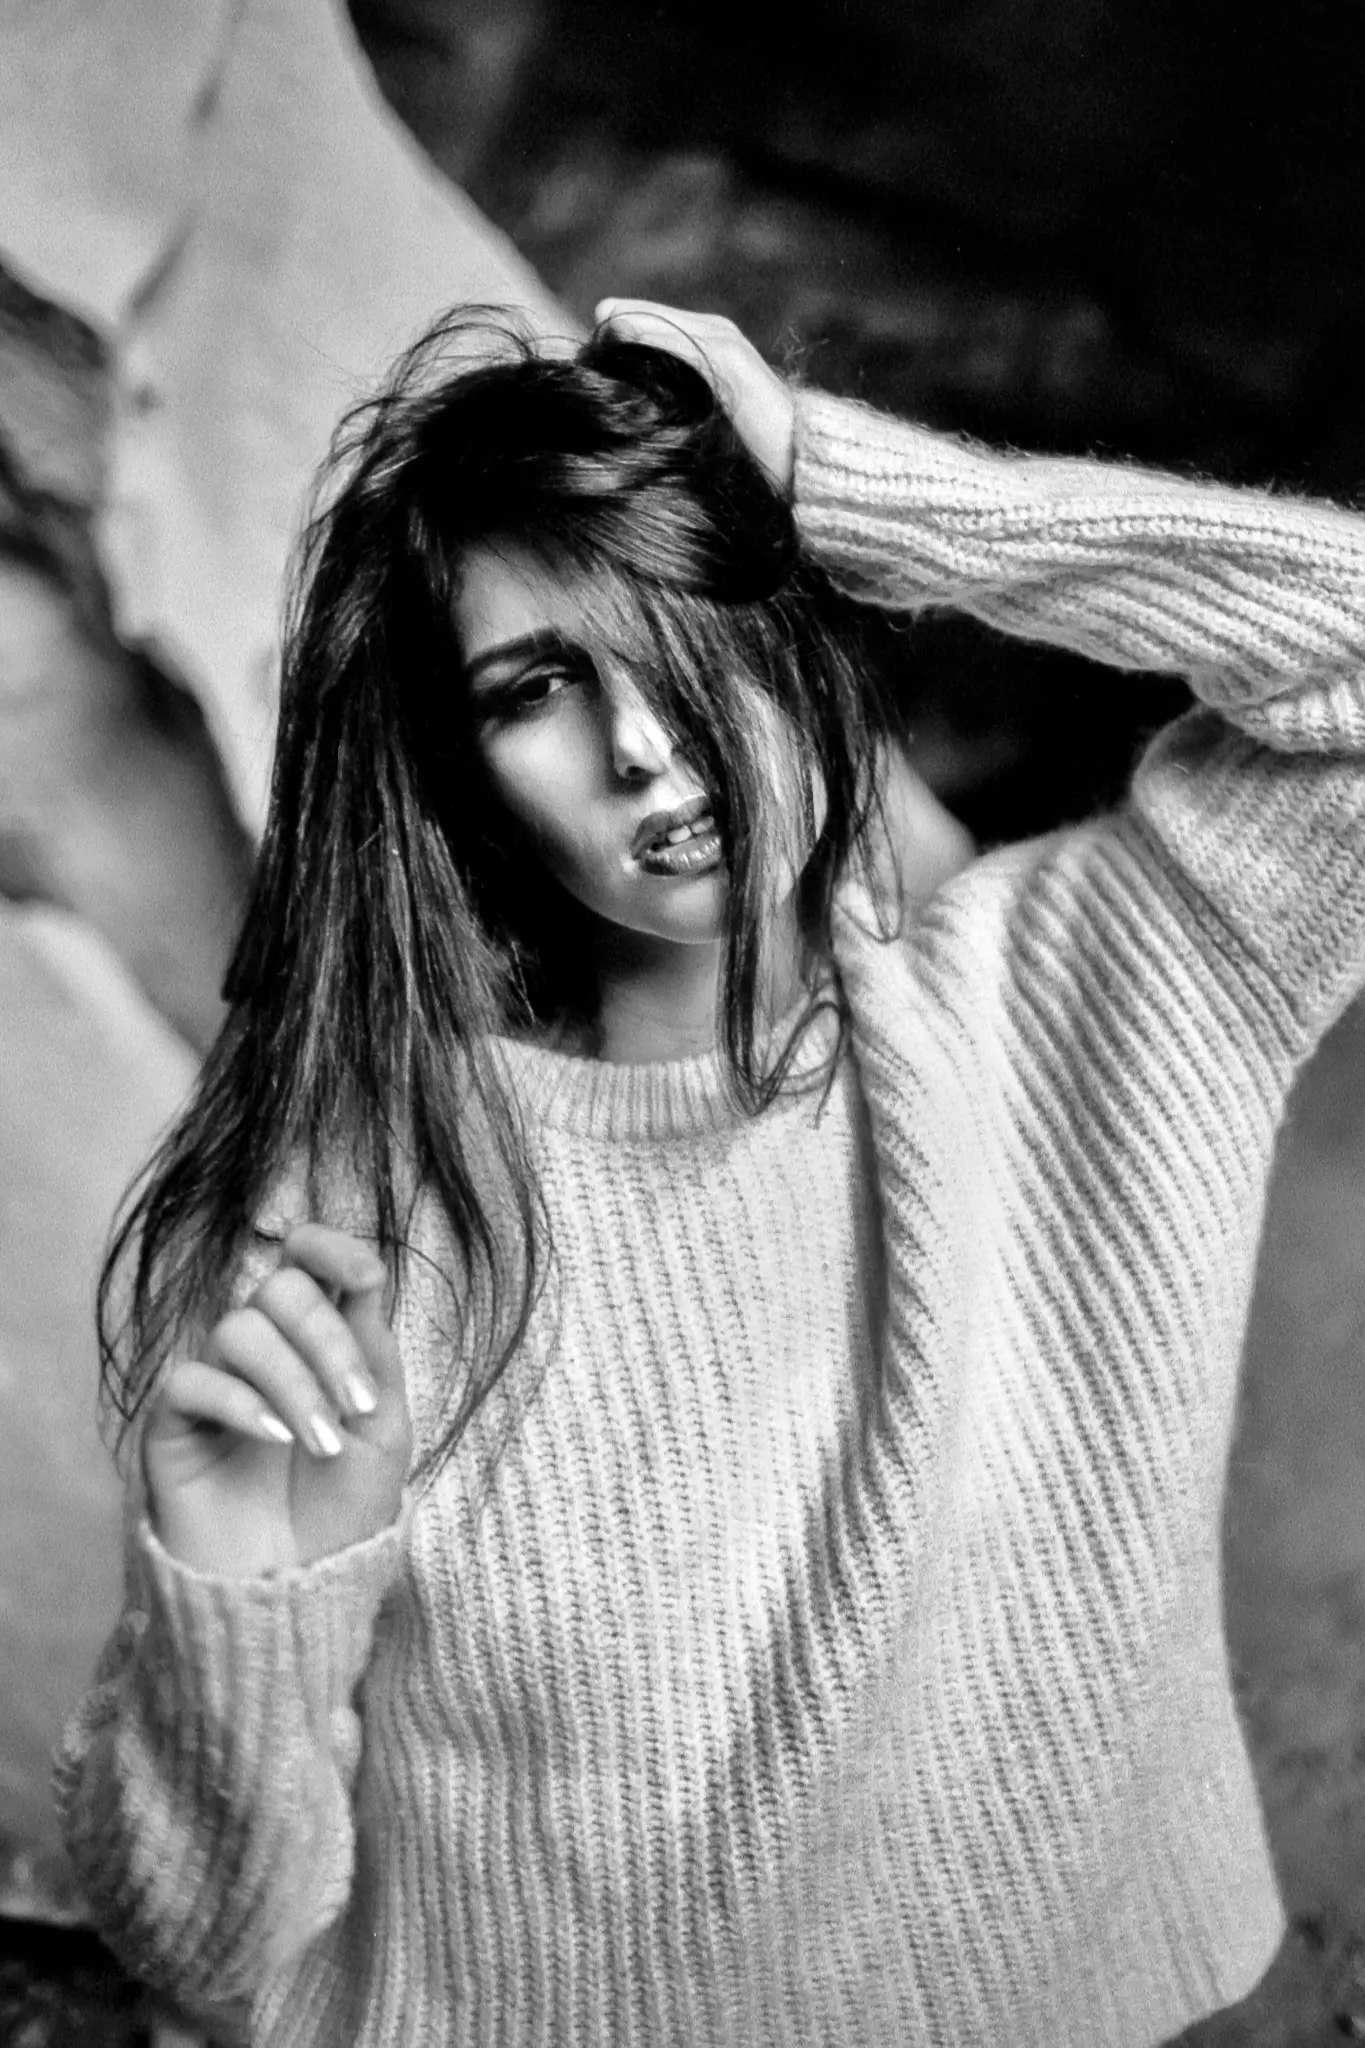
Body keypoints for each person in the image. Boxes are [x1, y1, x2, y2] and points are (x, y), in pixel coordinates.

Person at [53, 296, 1365, 2048]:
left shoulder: (1094, 1000)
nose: (648, 748)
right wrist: (238, 1599)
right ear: (465, 772)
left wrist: (846, 487)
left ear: (796, 622)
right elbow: (208, 1955)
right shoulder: (377, 1210)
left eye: (691, 632)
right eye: (537, 687)